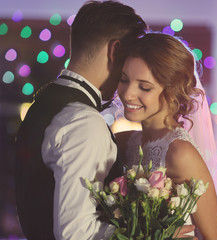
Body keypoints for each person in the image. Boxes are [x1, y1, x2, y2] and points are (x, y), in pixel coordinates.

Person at [14, 1, 147, 239]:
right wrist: (148, 232)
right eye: (131, 57)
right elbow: (76, 234)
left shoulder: (43, 103)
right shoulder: (84, 122)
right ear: (115, 51)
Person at [115, 33, 217, 239]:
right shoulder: (125, 142)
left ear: (173, 89)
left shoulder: (180, 153)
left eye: (144, 86)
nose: (127, 93)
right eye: (124, 79)